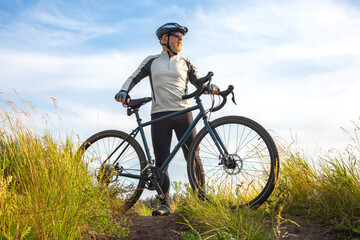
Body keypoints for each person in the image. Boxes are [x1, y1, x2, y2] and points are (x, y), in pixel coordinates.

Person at [115, 22, 219, 216]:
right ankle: (165, 204)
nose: (181, 38)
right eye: (176, 34)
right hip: (160, 114)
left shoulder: (186, 62)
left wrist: (211, 88)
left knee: (193, 157)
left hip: (183, 112)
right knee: (161, 161)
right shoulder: (152, 60)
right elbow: (134, 77)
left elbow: (198, 82)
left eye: (182, 35)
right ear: (164, 39)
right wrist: (124, 90)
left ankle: (201, 200)